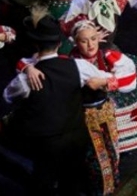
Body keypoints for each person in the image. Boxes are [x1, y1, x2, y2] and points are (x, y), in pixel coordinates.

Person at [19, 20, 137, 195]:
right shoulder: (70, 61)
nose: (90, 45)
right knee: (84, 157)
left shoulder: (107, 55)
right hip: (77, 116)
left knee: (107, 153)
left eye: (93, 39)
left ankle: (105, 189)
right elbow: (29, 61)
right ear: (75, 42)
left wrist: (105, 82)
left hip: (102, 114)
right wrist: (28, 68)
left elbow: (130, 80)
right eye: (84, 41)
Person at [2, 10, 111, 195]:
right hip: (76, 137)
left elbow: (7, 96)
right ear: (60, 44)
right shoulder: (79, 66)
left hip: (46, 141)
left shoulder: (26, 80)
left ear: (36, 45)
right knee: (72, 183)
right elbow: (105, 77)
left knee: (43, 182)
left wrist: (27, 69)